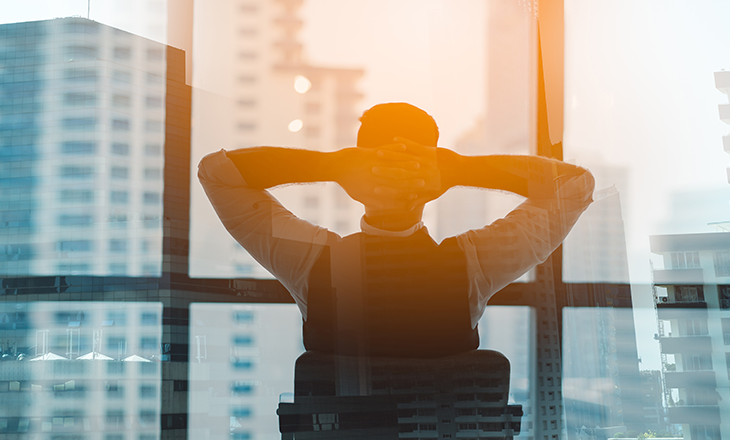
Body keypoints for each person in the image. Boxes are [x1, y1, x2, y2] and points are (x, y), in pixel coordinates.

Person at [198, 102, 593, 358]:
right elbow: (575, 187)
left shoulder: (309, 261)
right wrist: (456, 169)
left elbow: (217, 174)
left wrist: (334, 166)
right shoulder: (475, 265)